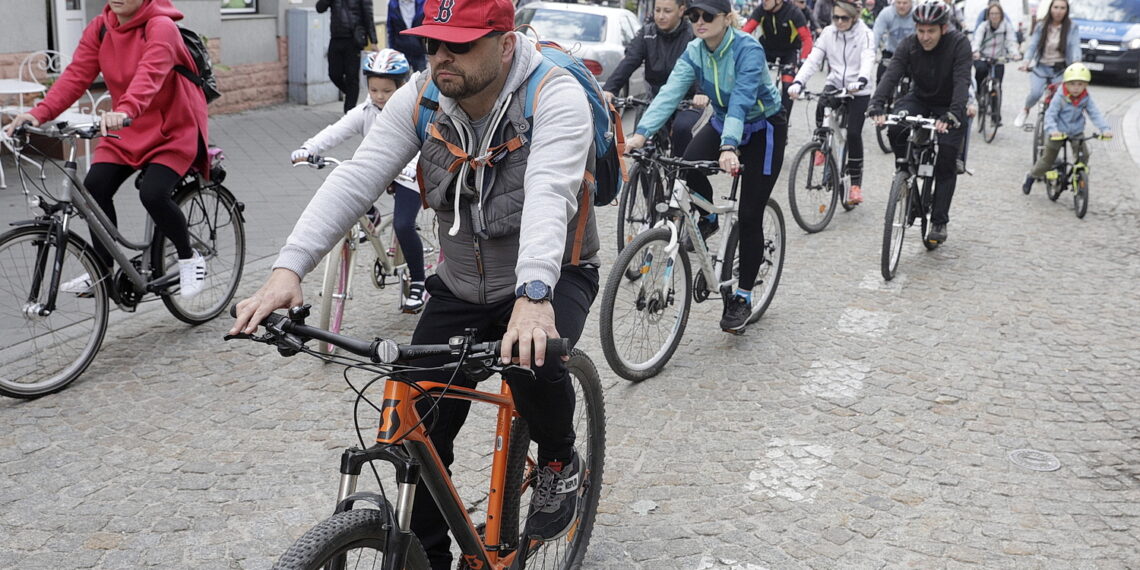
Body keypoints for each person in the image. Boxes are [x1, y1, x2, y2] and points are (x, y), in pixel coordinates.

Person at [229, 0, 598, 566]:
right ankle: (427, 557)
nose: (441, 57)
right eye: (432, 44)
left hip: (555, 271)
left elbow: (550, 193)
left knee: (533, 360)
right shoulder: (423, 95)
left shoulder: (555, 95)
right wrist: (288, 268)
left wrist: (534, 297)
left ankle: (558, 460)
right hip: (461, 281)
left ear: (504, 42)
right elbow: (358, 178)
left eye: (460, 44)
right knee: (415, 433)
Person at [4, 0, 209, 298]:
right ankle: (102, 270)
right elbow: (76, 77)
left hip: (173, 128)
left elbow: (150, 75)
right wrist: (38, 113)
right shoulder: (100, 28)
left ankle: (189, 258)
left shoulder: (160, 27)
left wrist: (124, 109)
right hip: (127, 129)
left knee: (153, 194)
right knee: (94, 191)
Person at [625, 0, 787, 333]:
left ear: (727, 19)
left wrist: (729, 146)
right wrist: (641, 134)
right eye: (694, 15)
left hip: (764, 127)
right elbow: (671, 92)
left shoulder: (747, 48)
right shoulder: (695, 50)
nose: (699, 21)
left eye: (707, 16)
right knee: (686, 166)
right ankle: (709, 217)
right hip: (726, 120)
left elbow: (742, 99)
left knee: (750, 215)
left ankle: (742, 297)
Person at [290, 49, 428, 313]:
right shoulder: (365, 111)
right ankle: (372, 216)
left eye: (387, 91)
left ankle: (419, 282)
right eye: (374, 89)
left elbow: (421, 145)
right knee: (349, 188)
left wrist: (412, 169)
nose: (379, 96)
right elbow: (337, 131)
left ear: (401, 87)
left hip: (409, 173)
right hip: (377, 170)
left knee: (403, 224)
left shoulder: (412, 109)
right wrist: (309, 148)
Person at [868, 0, 972, 245]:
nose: (925, 37)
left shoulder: (959, 44)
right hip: (920, 99)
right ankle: (905, 177)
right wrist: (877, 103)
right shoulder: (909, 45)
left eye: (931, 31)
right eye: (921, 30)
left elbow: (962, 82)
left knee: (946, 158)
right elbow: (892, 73)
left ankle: (938, 219)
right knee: (896, 129)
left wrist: (954, 115)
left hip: (949, 106)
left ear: (943, 29)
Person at [788, 0, 875, 204]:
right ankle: (822, 146)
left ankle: (855, 185)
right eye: (835, 17)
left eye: (844, 18)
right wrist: (798, 81)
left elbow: (868, 57)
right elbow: (813, 59)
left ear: (854, 17)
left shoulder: (865, 34)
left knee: (853, 133)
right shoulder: (828, 33)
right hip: (836, 82)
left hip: (859, 89)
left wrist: (862, 79)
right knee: (820, 106)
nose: (839, 22)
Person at [603, 0, 702, 154]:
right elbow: (629, 62)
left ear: (681, 10)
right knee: (640, 142)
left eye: (667, 11)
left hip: (687, 99)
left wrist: (700, 93)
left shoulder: (693, 36)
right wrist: (610, 89)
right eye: (657, 10)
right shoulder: (647, 33)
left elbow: (701, 68)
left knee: (682, 131)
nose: (661, 16)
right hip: (655, 95)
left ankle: (681, 173)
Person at [1021, 63, 1112, 193]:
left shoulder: (1085, 97)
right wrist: (1053, 130)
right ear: (1066, 84)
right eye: (1072, 84)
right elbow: (1050, 115)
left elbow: (1095, 113)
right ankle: (1031, 176)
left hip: (1076, 131)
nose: (1076, 88)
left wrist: (1105, 129)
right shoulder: (1060, 97)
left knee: (1083, 155)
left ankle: (1079, 177)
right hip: (1057, 131)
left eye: (1080, 84)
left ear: (1086, 85)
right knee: (1048, 159)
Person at [1014, 0, 1080, 129]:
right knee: (1035, 93)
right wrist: (1026, 61)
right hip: (1041, 68)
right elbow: (1033, 45)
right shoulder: (1041, 25)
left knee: (1060, 97)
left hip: (1060, 69)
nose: (1058, 11)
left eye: (1062, 8)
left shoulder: (1072, 27)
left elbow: (1074, 46)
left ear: (1067, 11)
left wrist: (1077, 63)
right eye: (1056, 7)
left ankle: (1057, 124)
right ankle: (1025, 110)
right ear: (1050, 9)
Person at [742, 0, 814, 113]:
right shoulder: (761, 10)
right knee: (751, 78)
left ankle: (784, 118)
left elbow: (807, 38)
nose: (763, 1)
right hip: (767, 48)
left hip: (789, 51)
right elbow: (745, 32)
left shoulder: (793, 12)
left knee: (788, 86)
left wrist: (803, 60)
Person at [316, 0, 377, 114]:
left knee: (352, 77)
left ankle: (349, 112)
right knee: (334, 74)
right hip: (336, 38)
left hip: (354, 39)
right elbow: (319, 8)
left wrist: (373, 40)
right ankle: (350, 94)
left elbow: (368, 15)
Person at [971, 0, 1020, 124]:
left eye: (997, 13)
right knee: (981, 70)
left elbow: (1010, 41)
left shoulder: (1006, 27)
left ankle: (995, 116)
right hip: (983, 57)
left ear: (1001, 15)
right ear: (988, 15)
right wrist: (975, 51)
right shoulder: (983, 26)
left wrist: (1014, 53)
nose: (994, 16)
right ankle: (979, 93)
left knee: (996, 86)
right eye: (992, 13)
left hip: (998, 58)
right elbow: (977, 40)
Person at [871, 0, 914, 81]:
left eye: (905, 3)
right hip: (892, 52)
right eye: (898, 3)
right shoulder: (886, 13)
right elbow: (876, 34)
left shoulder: (916, 13)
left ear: (911, 3)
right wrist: (872, 53)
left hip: (911, 53)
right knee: (881, 76)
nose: (901, 6)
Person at [387, 0, 427, 71]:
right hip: (400, 51)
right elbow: (390, 29)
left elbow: (427, 25)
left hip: (419, 51)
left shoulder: (423, 2)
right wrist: (392, 51)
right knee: (401, 80)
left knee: (422, 79)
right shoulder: (393, 4)